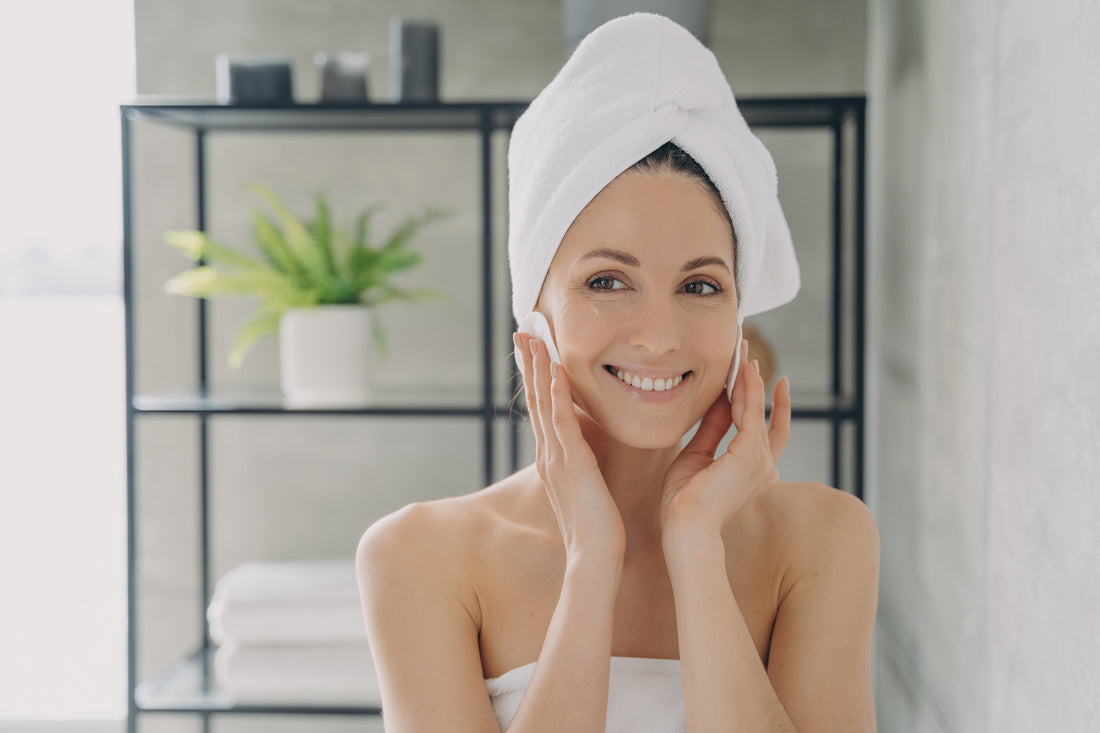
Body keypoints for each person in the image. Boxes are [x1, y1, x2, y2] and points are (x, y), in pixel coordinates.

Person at [356, 13, 879, 733]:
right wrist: (590, 560)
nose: (659, 338)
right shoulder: (418, 558)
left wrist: (694, 548)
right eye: (607, 281)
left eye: (700, 286)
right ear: (534, 309)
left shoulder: (824, 542)